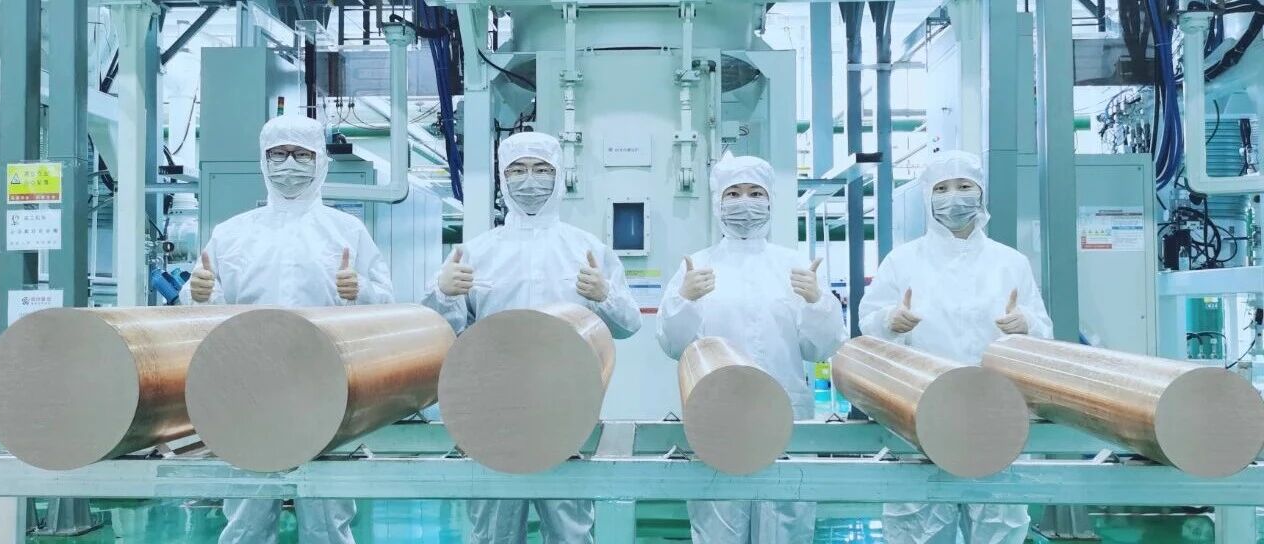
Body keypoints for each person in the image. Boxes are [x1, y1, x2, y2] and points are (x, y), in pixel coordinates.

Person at [180, 115, 395, 544]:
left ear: (321, 161)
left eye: (301, 155)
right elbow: (200, 303)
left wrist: (361, 290)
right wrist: (199, 293)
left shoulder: (346, 231)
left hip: (327, 384)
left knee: (327, 513)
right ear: (263, 160)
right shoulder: (232, 233)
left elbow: (386, 305)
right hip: (250, 386)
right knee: (248, 513)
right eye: (278, 155)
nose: (289, 165)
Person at [423, 131, 642, 543]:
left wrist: (605, 295)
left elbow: (629, 325)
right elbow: (443, 332)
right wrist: (443, 292)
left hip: (566, 409)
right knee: (494, 531)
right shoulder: (476, 252)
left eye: (541, 170)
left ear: (559, 176)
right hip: (491, 412)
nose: (529, 180)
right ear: (502, 178)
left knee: (570, 529)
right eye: (517, 170)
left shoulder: (587, 249)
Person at [859, 150, 1053, 544]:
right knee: (918, 525)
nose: (954, 197)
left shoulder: (1009, 262)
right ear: (927, 197)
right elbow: (869, 325)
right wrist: (889, 322)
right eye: (942, 188)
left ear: (981, 193)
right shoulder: (902, 261)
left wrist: (1026, 324)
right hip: (920, 411)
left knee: (998, 523)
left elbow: (1043, 332)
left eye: (964, 186)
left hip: (995, 412)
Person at [656, 153, 848, 544]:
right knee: (719, 523)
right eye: (734, 193)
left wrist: (817, 302)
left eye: (755, 193)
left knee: (785, 523)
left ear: (770, 200)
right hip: (716, 415)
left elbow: (821, 348)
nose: (745, 202)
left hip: (786, 415)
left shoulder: (794, 266)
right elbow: (674, 345)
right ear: (718, 202)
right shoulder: (697, 266)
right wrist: (684, 300)